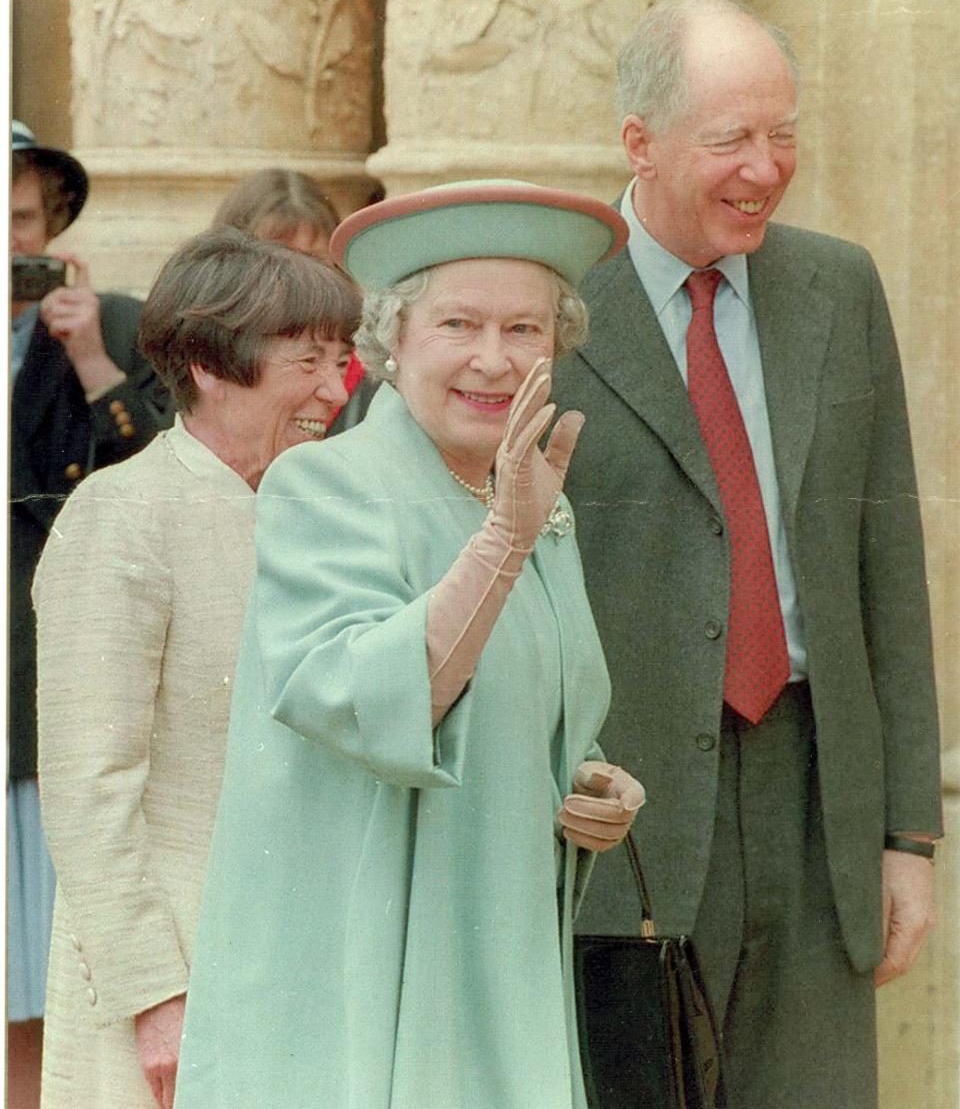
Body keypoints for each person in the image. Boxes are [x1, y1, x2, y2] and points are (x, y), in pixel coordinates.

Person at [173, 181, 644, 1109]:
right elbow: (371, 699)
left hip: (497, 951)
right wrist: (504, 541)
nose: (494, 360)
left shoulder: (537, 505)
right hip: (359, 975)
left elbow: (528, 708)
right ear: (390, 343)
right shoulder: (324, 485)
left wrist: (589, 780)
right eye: (458, 324)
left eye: (526, 331)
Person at [550, 0, 942, 1108]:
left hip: (816, 800)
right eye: (730, 139)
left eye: (783, 133)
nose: (765, 168)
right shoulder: (549, 299)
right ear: (640, 141)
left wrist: (906, 833)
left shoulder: (839, 286)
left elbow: (887, 569)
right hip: (620, 819)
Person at [33, 228, 359, 1109]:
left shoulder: (327, 511)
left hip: (311, 943)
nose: (335, 390)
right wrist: (156, 998)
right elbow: (88, 787)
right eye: (309, 363)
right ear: (213, 367)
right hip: (172, 962)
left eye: (343, 360)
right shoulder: (123, 515)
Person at [8, 120, 172, 1109]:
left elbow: (162, 478)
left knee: (40, 978)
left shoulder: (109, 326)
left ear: (55, 228)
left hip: (40, 696)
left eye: (19, 221)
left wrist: (91, 363)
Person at [212, 167, 376, 436]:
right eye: (277, 261)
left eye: (312, 261)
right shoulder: (205, 362)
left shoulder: (370, 368)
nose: (298, 281)